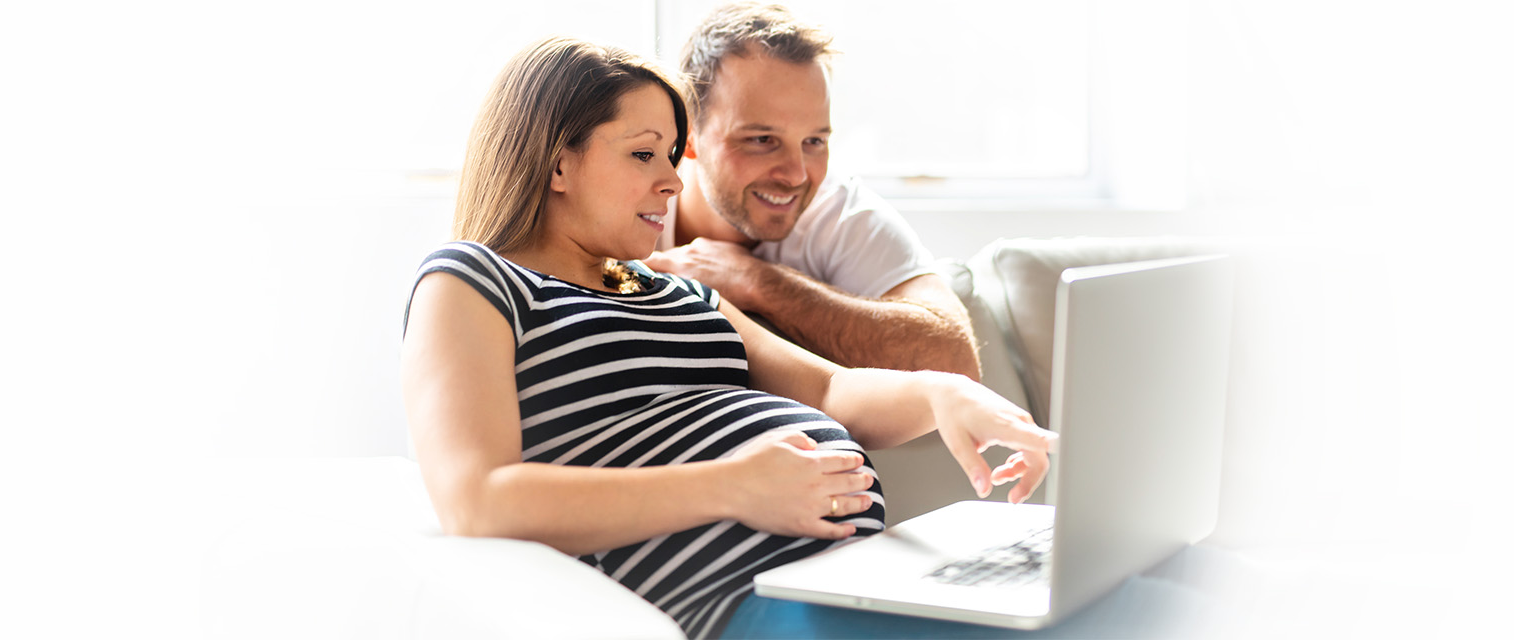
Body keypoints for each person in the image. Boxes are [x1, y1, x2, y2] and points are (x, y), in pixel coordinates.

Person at [400, 37, 1057, 639]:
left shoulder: (676, 289)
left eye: (668, 155)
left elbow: (831, 387)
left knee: (1107, 596)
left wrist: (941, 395)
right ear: (557, 163)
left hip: (849, 577)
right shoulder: (472, 280)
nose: (671, 180)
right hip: (739, 605)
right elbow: (477, 500)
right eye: (641, 153)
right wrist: (734, 486)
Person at [643, 2, 981, 379]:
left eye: (814, 141)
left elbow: (957, 362)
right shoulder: (625, 202)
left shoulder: (838, 211)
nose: (797, 175)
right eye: (761, 139)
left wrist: (760, 282)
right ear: (687, 134)